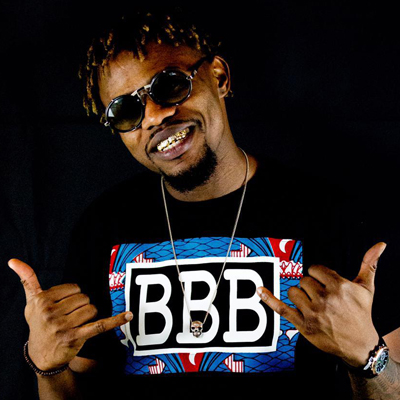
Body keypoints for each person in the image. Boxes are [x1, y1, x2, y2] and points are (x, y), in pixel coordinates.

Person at [9, 6, 400, 399]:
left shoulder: (331, 213)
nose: (155, 117)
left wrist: (367, 354)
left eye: (169, 85)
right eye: (126, 110)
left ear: (219, 77)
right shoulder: (102, 226)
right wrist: (48, 366)